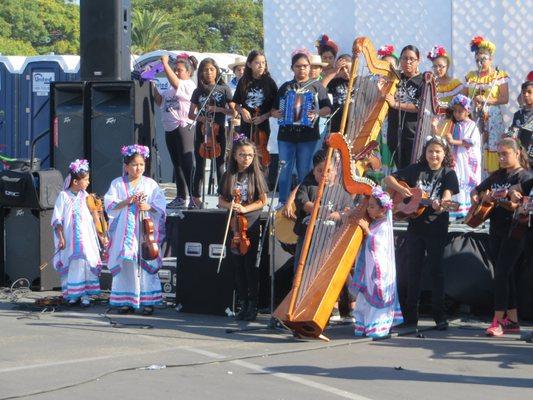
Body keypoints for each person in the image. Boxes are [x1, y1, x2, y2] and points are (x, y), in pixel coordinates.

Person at [384, 136, 459, 330]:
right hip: (415, 228)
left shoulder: (448, 174)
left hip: (436, 227)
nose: (434, 155)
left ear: (444, 154)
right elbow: (388, 178)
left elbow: (447, 197)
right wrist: (402, 189)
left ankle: (440, 316)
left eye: (438, 152)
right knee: (412, 271)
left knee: (436, 271)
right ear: (425, 153)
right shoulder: (415, 170)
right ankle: (410, 317)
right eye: (430, 151)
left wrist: (440, 204)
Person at [470, 138, 531, 336]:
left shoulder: (525, 177)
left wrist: (501, 200)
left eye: (505, 154)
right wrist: (480, 198)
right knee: (507, 274)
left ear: (517, 153)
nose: (502, 158)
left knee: (502, 274)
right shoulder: (496, 176)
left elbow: (517, 206)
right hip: (495, 230)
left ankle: (498, 322)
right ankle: (512, 321)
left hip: (515, 231)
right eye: (500, 155)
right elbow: (476, 190)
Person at [104, 145, 166, 315]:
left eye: (141, 164)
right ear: (126, 166)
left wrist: (149, 206)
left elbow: (161, 206)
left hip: (144, 233)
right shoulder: (117, 184)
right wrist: (127, 201)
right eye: (134, 164)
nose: (138, 168)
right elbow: (109, 204)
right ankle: (126, 300)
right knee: (127, 265)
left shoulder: (150, 184)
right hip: (125, 233)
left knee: (145, 263)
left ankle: (148, 301)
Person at [293, 149, 354, 321]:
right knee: (302, 271)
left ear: (336, 171)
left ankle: (342, 308)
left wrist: (339, 215)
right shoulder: (308, 186)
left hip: (330, 240)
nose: (325, 175)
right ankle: (299, 306)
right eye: (320, 171)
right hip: (309, 240)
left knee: (335, 273)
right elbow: (302, 202)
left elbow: (348, 210)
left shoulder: (342, 191)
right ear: (314, 171)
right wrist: (319, 210)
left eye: (329, 171)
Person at [271, 49, 332, 206]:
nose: (302, 69)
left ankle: (301, 202)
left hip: (308, 135)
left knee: (304, 170)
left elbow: (328, 108)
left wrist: (316, 112)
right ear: (292, 68)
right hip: (286, 135)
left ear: (310, 67)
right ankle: (283, 201)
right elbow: (273, 109)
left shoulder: (317, 87)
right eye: (298, 66)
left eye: (305, 66)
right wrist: (277, 113)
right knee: (284, 171)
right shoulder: (285, 87)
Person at [218, 136, 268, 321]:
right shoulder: (228, 175)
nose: (246, 158)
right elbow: (221, 200)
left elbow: (263, 201)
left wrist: (245, 208)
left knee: (250, 266)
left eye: (249, 155)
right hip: (234, 222)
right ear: (235, 156)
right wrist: (231, 206)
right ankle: (242, 303)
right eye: (242, 155)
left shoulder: (257, 174)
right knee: (237, 265)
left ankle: (253, 304)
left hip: (251, 222)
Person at [350, 186, 403, 338]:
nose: (369, 210)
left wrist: (367, 231)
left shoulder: (385, 225)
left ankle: (377, 327)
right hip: (369, 268)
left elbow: (378, 245)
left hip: (378, 270)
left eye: (372, 207)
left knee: (374, 293)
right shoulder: (375, 223)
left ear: (382, 210)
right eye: (369, 206)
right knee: (363, 297)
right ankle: (363, 325)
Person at [52, 159, 102, 307]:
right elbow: (57, 219)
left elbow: (94, 217)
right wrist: (61, 238)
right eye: (85, 180)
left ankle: (85, 294)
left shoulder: (86, 197)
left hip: (85, 239)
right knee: (72, 263)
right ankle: (73, 294)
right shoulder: (63, 196)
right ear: (75, 181)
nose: (87, 182)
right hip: (69, 238)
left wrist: (100, 233)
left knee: (84, 263)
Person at [188, 58, 236, 209]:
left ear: (216, 71)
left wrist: (219, 110)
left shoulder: (224, 89)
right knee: (200, 165)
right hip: (202, 131)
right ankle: (195, 198)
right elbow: (191, 114)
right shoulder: (198, 91)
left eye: (211, 69)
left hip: (219, 130)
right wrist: (202, 118)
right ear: (201, 73)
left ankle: (223, 198)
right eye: (205, 70)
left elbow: (233, 111)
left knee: (220, 165)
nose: (208, 72)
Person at [153, 53, 197, 209]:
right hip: (169, 127)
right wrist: (152, 84)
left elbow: (176, 82)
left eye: (180, 70)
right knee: (176, 163)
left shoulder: (188, 85)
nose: (177, 72)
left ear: (188, 72)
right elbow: (159, 101)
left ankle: (192, 196)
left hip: (183, 126)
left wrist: (165, 64)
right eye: (175, 70)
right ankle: (181, 196)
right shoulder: (170, 89)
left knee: (186, 162)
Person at [464, 36, 509, 173]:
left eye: (483, 59)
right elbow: (464, 97)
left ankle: (493, 177)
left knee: (493, 146)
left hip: (493, 116)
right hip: (475, 115)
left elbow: (504, 98)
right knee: (477, 145)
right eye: (477, 59)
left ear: (490, 59)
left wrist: (486, 100)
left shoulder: (498, 75)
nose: (480, 62)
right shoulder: (471, 76)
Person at [385, 45, 425, 169]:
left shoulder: (423, 81)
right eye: (404, 58)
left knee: (410, 168)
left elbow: (420, 106)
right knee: (400, 167)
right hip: (394, 131)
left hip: (411, 133)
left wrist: (396, 105)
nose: (407, 62)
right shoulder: (394, 78)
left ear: (418, 60)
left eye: (411, 59)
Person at [445, 94, 482, 219]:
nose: (456, 113)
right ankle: (458, 208)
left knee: (467, 178)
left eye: (460, 111)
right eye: (455, 111)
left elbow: (470, 142)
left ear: (467, 111)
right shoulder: (455, 124)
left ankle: (469, 209)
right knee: (457, 178)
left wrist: (453, 141)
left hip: (467, 158)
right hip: (457, 157)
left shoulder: (471, 125)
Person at [232, 50, 278, 143]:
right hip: (246, 125)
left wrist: (263, 117)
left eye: (263, 62)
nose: (261, 65)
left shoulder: (270, 82)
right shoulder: (243, 81)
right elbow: (236, 104)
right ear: (249, 64)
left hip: (263, 126)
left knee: (261, 152)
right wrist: (242, 110)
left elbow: (275, 107)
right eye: (257, 63)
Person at [509, 81, 533, 168]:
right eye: (523, 92)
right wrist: (508, 135)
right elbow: (513, 131)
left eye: (529, 92)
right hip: (521, 157)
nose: (526, 95)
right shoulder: (518, 114)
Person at [327, 54, 352, 133]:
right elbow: (320, 88)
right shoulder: (333, 82)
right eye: (341, 68)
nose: (345, 71)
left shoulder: (363, 81)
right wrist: (334, 72)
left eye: (347, 67)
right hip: (337, 126)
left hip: (355, 127)